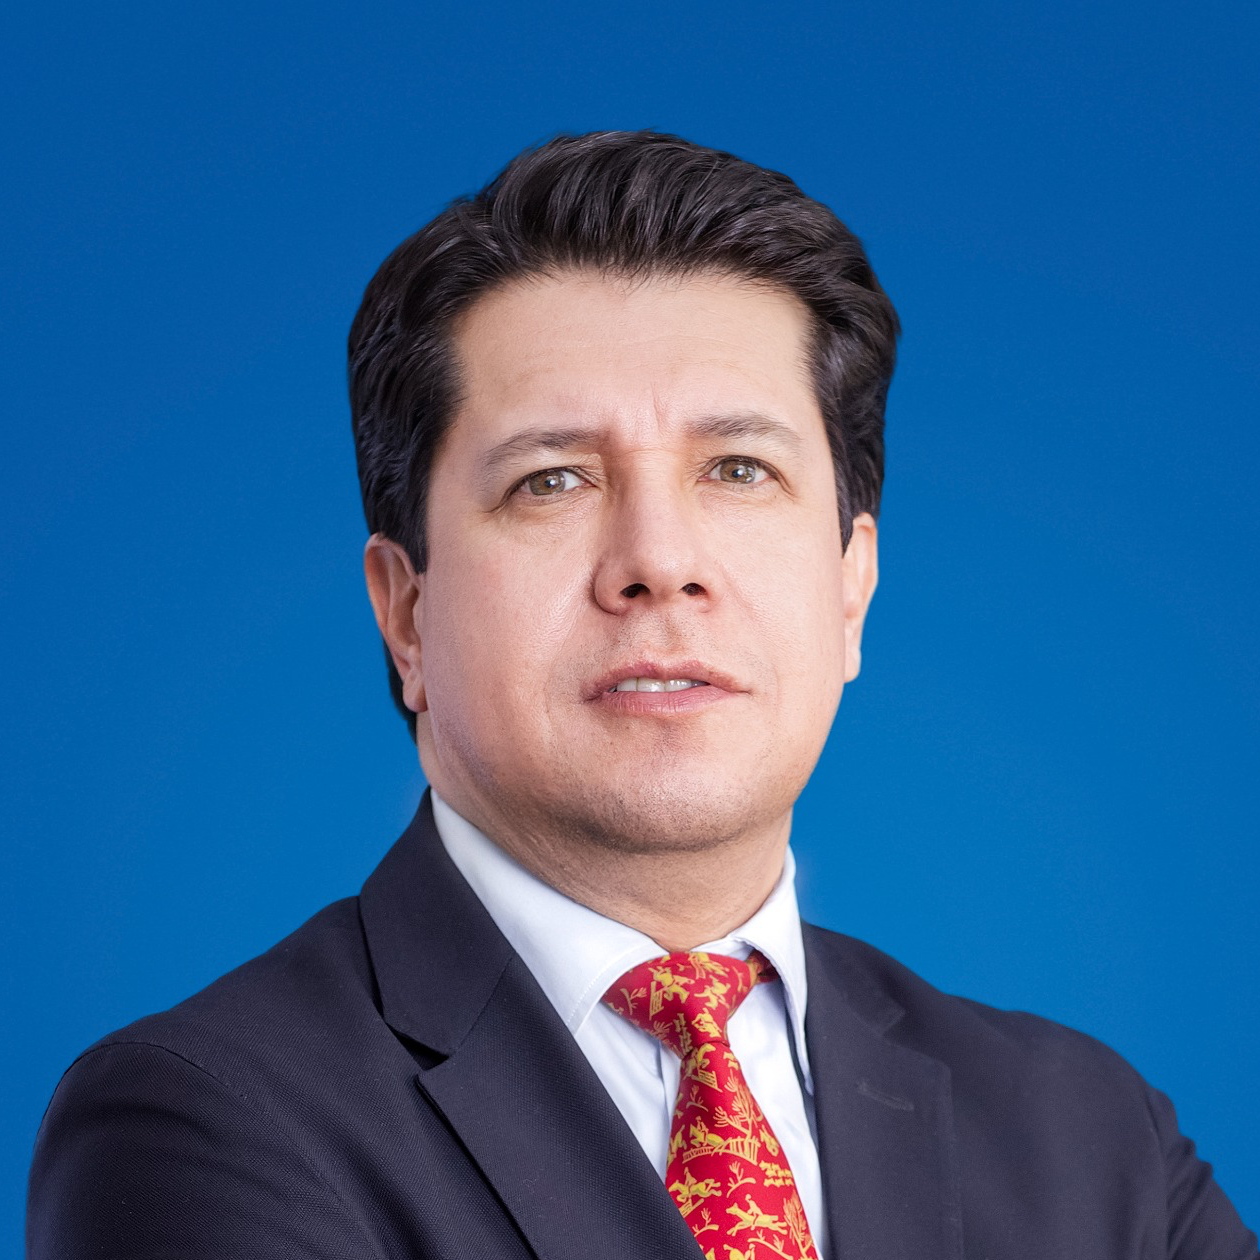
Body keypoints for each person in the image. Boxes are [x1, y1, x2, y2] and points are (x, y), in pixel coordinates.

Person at [27, 131, 1256, 1259]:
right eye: (552, 481)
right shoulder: (203, 1120)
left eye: (740, 468)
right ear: (405, 614)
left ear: (852, 589)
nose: (659, 561)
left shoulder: (1092, 1135)